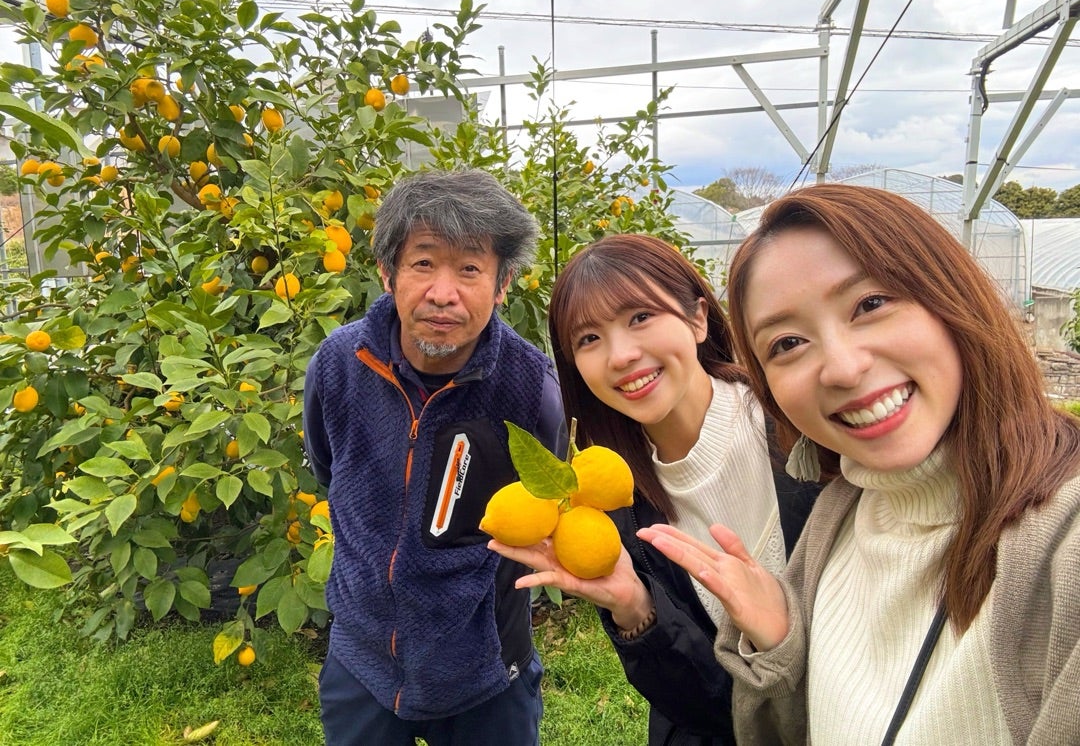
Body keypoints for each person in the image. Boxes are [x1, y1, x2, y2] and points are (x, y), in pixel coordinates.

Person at [639, 183, 1080, 745]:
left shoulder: (1062, 548)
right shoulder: (839, 519)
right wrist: (782, 646)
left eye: (870, 305)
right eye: (789, 343)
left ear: (951, 296)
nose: (843, 368)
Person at [487, 233, 821, 745]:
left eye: (640, 317)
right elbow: (702, 707)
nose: (620, 355)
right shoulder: (610, 501)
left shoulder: (802, 422)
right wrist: (637, 609)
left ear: (697, 318)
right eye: (589, 339)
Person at [303, 169, 566, 746]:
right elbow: (328, 467)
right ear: (386, 271)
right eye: (423, 262)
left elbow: (548, 504)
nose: (443, 292)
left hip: (486, 670)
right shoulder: (340, 366)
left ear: (502, 285)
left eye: (470, 268)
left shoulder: (529, 388)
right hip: (363, 662)